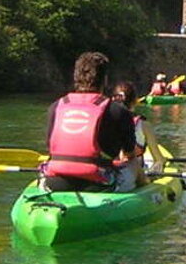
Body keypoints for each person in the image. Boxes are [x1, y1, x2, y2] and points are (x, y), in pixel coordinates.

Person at [41, 53, 160, 193]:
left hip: (56, 182)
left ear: (75, 77)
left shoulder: (55, 107)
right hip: (98, 184)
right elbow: (129, 154)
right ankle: (145, 188)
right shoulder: (118, 111)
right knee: (133, 163)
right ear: (105, 80)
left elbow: (50, 146)